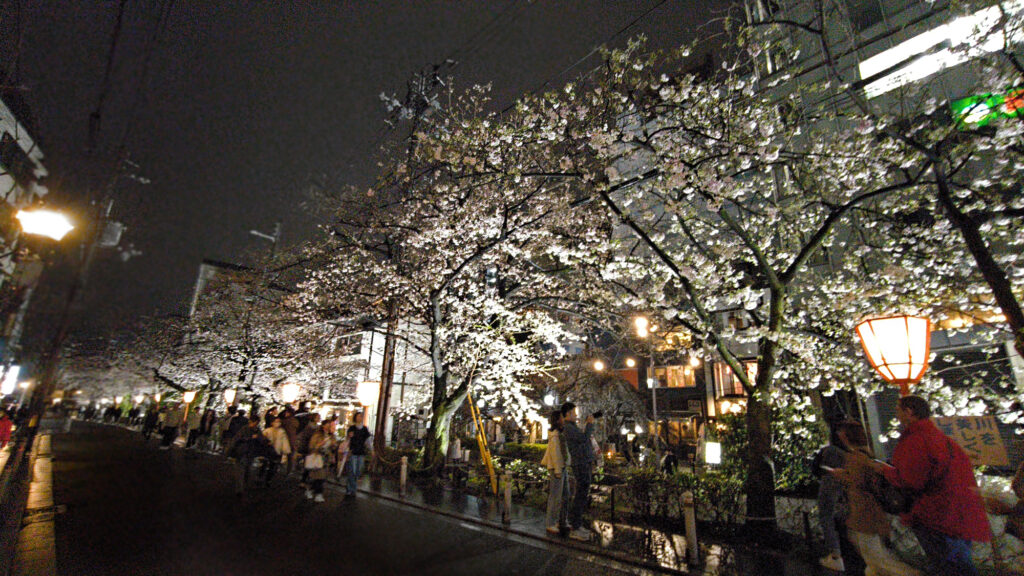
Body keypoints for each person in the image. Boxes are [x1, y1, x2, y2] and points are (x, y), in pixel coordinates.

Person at [867, 395, 991, 576]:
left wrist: (885, 470)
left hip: (934, 513)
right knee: (958, 563)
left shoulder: (917, 440)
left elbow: (911, 480)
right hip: (958, 511)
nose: (897, 415)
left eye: (898, 410)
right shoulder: (940, 438)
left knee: (949, 565)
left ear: (909, 411)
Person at [831, 420, 921, 576]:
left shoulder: (855, 457)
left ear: (846, 437)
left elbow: (857, 481)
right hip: (871, 511)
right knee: (873, 556)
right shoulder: (867, 453)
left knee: (876, 557)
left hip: (864, 512)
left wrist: (841, 476)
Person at [814, 422, 850, 572]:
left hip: (831, 481)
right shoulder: (849, 453)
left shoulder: (830, 451)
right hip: (844, 486)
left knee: (826, 515)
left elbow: (819, 468)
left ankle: (836, 555)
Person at [561, 402, 596, 541]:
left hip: (583, 462)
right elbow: (583, 439)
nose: (576, 415)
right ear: (567, 414)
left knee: (582, 494)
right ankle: (575, 526)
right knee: (580, 494)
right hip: (580, 463)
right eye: (574, 413)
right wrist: (589, 425)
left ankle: (577, 524)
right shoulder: (568, 428)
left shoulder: (572, 427)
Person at [540, 409, 569, 534]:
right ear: (557, 420)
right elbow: (555, 454)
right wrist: (557, 470)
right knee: (555, 496)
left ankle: (561, 520)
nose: (564, 419)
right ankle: (551, 523)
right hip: (557, 468)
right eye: (562, 417)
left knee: (565, 495)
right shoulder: (555, 435)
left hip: (563, 467)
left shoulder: (561, 434)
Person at [305, 419, 336, 502]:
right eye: (327, 425)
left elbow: (333, 446)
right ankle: (318, 493)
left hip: (326, 458)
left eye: (330, 425)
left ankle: (312, 490)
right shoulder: (317, 435)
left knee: (321, 477)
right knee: (318, 476)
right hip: (318, 456)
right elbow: (311, 446)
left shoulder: (331, 436)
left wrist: (333, 447)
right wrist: (319, 445)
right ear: (323, 426)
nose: (328, 426)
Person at [345, 412, 372, 498]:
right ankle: (351, 489)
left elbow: (367, 441)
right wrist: (349, 436)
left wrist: (371, 450)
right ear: (355, 418)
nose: (360, 418)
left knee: (358, 471)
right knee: (352, 471)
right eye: (359, 416)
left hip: (361, 452)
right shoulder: (352, 428)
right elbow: (347, 439)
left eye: (361, 416)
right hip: (353, 452)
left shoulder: (365, 429)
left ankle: (352, 487)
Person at [261, 417, 291, 487]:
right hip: (268, 451)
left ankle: (268, 480)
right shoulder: (267, 431)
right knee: (265, 464)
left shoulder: (282, 432)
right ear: (272, 423)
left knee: (273, 466)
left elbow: (284, 442)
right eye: (276, 421)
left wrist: (285, 451)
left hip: (277, 452)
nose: (278, 423)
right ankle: (261, 477)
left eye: (279, 422)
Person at [280, 408, 300, 475]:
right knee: (290, 457)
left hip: (285, 439)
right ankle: (289, 470)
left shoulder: (285, 421)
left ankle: (280, 468)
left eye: (287, 412)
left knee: (280, 454)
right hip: (292, 440)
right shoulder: (295, 421)